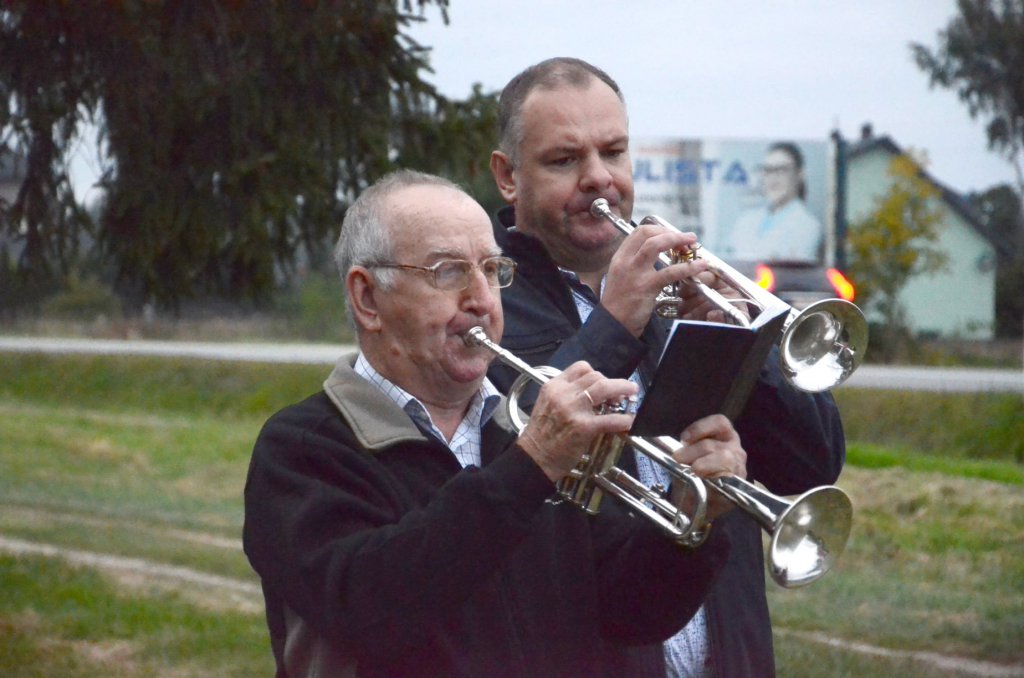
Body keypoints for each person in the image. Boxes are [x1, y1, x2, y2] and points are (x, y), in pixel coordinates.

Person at [242, 169, 751, 677]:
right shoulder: (302, 448)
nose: (482, 300)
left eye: (491, 270)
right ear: (368, 299)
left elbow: (628, 614)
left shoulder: (524, 426)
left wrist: (692, 524)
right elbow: (373, 609)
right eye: (448, 272)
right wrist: (531, 465)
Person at [487, 58, 846, 677]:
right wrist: (613, 325)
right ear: (507, 176)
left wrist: (743, 344)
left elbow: (811, 463)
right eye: (564, 160)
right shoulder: (485, 303)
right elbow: (504, 459)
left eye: (613, 151)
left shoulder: (675, 290)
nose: (599, 178)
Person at [723, 142, 824, 262]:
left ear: (800, 174)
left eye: (781, 170)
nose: (773, 178)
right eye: (768, 170)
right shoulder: (746, 219)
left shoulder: (808, 226)